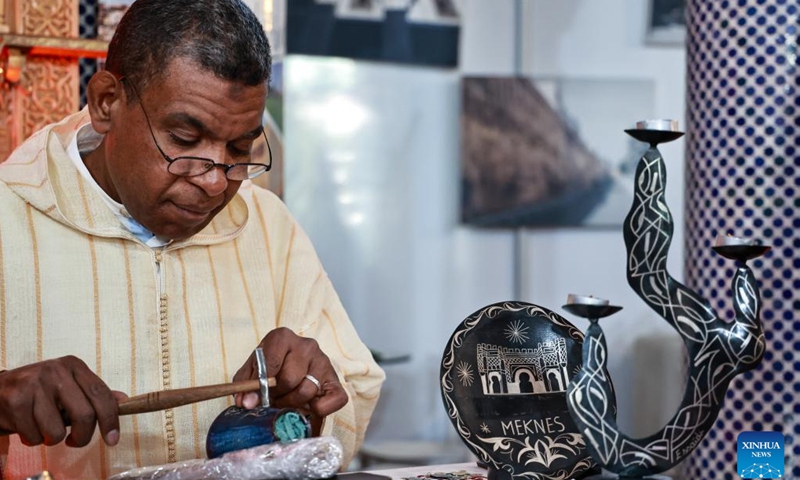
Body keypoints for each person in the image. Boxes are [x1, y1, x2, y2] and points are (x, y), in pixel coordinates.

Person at [0, 0, 384, 478]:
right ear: (106, 103)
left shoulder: (268, 227)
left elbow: (353, 397)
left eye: (240, 148)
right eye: (184, 139)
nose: (215, 182)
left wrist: (305, 403)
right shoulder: (9, 218)